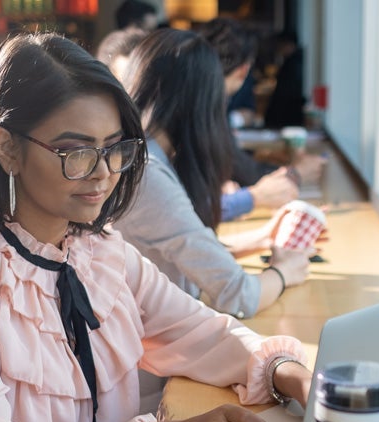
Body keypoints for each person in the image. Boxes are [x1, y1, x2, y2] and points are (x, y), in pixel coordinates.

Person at [0, 32, 312, 422]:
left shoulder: (97, 250)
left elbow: (199, 332)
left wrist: (287, 372)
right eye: (75, 151)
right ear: (8, 147)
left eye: (115, 148)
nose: (103, 173)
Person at [114, 29, 314, 319]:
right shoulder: (147, 174)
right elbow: (237, 295)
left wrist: (260, 238)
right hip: (159, 350)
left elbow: (179, 248)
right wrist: (284, 272)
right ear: (203, 101)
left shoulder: (145, 156)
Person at [197, 18, 324, 221]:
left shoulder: (195, 97)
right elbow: (245, 172)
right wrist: (296, 173)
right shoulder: (205, 105)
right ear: (244, 70)